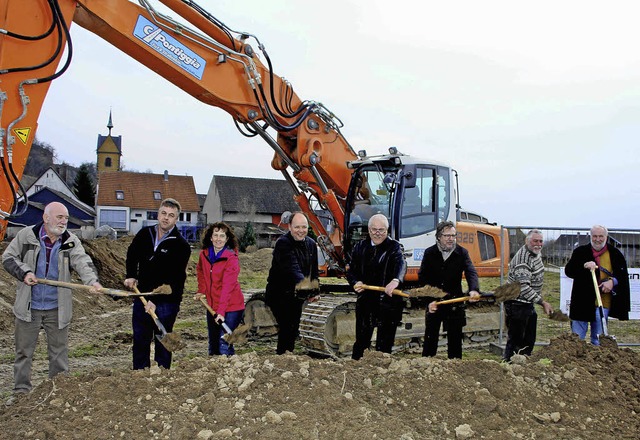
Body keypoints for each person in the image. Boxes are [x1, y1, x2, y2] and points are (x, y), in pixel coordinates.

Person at [2, 202, 102, 402]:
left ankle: (58, 391)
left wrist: (92, 281)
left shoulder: (70, 241)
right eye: (59, 217)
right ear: (46, 218)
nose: (64, 221)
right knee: (24, 352)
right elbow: (8, 258)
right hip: (29, 307)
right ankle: (20, 392)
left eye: (65, 218)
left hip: (57, 307)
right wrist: (25, 272)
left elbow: (83, 261)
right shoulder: (26, 236)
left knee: (58, 354)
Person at [124, 198, 191, 369]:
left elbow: (175, 278)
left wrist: (156, 301)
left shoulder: (181, 246)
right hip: (143, 295)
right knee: (140, 339)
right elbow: (132, 254)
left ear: (176, 219)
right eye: (163, 213)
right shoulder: (144, 234)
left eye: (171, 215)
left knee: (163, 340)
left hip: (167, 302)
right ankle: (140, 374)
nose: (166, 218)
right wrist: (131, 275)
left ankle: (162, 376)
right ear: (158, 214)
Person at [347, 213, 406, 360]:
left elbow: (401, 264)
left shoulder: (394, 247)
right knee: (361, 340)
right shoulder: (360, 247)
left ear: (387, 231)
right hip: (366, 301)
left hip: (387, 303)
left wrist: (395, 281)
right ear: (369, 229)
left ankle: (382, 371)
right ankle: (358, 368)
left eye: (381, 230)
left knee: (384, 344)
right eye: (374, 230)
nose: (377, 234)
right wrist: (355, 283)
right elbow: (351, 271)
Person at [418, 221, 480, 359]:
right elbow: (423, 278)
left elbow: (471, 272)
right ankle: (425, 367)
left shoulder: (462, 253)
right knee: (430, 339)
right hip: (435, 303)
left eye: (453, 235)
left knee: (455, 342)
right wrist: (428, 301)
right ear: (439, 237)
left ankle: (455, 369)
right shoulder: (429, 253)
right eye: (447, 236)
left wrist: (474, 289)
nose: (451, 239)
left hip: (454, 303)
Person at [565, 225, 630, 345]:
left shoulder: (615, 254)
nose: (597, 239)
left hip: (603, 302)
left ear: (606, 237)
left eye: (601, 236)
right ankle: (577, 362)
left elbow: (622, 275)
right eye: (595, 236)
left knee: (599, 339)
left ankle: (597, 363)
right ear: (591, 236)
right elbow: (569, 271)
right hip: (582, 301)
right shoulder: (580, 252)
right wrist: (584, 265)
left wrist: (612, 282)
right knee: (577, 340)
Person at [265, 211, 319, 355]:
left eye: (304, 227)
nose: (301, 231)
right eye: (297, 227)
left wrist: (314, 290)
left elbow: (313, 271)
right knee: (287, 326)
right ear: (289, 227)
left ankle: (287, 355)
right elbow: (292, 268)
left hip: (297, 295)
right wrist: (306, 286)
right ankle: (283, 355)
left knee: (293, 328)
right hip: (279, 293)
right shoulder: (283, 243)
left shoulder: (311, 244)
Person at [503, 229, 553, 361]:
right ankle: (509, 366)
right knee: (516, 341)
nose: (538, 244)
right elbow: (523, 287)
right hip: (516, 303)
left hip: (527, 303)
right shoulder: (523, 260)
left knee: (529, 339)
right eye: (535, 241)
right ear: (527, 241)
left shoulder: (535, 254)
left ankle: (524, 365)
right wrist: (542, 302)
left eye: (541, 241)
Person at [196, 222, 245, 356]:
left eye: (222, 236)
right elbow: (200, 270)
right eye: (215, 235)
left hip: (232, 307)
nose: (218, 239)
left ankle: (228, 371)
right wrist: (202, 289)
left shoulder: (231, 259)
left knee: (224, 341)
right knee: (213, 343)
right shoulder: (204, 255)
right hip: (212, 305)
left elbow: (227, 287)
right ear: (210, 238)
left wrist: (221, 312)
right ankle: (214, 373)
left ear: (227, 239)